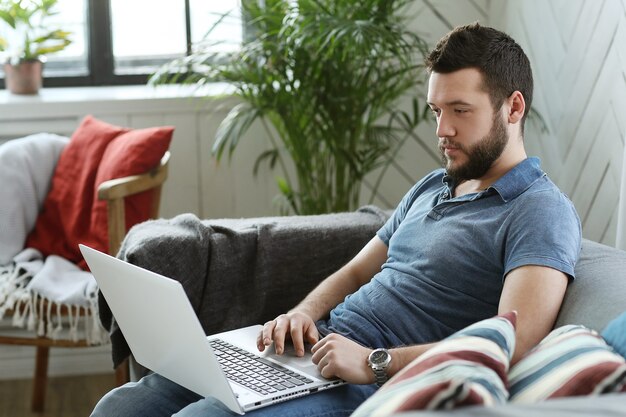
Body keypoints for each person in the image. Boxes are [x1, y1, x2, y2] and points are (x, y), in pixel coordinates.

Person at [90, 23, 581, 417]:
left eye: (459, 110)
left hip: (372, 382)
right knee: (124, 404)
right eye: (435, 110)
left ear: (513, 107)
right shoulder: (434, 185)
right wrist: (303, 314)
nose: (442, 130)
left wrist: (373, 363)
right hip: (316, 352)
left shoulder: (539, 211)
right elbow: (354, 273)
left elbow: (510, 345)